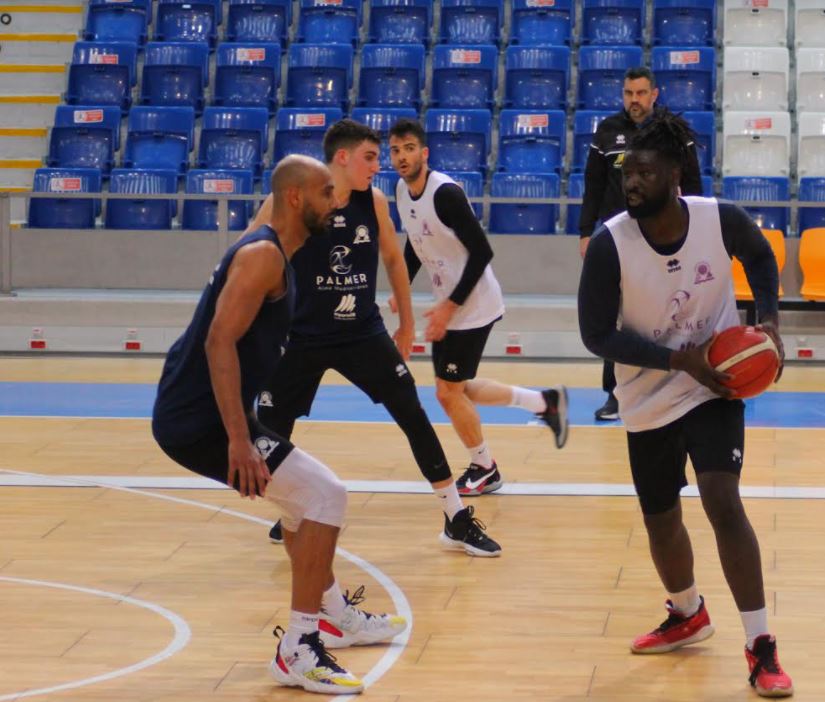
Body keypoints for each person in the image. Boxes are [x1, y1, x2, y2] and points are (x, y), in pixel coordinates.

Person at [577, 113, 793, 698]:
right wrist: (678, 360)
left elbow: (761, 258)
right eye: (628, 172)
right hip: (648, 390)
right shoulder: (610, 244)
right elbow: (595, 336)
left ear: (674, 175)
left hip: (713, 384)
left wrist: (769, 323)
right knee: (661, 518)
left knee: (723, 500)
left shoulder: (718, 218)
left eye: (645, 172)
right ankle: (688, 611)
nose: (632, 182)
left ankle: (761, 644)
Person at [152, 155, 375, 694]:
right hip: (199, 421)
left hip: (209, 412)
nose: (336, 202)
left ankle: (332, 616)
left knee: (306, 505)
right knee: (326, 496)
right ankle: (299, 647)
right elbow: (218, 342)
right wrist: (239, 439)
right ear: (296, 198)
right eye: (326, 192)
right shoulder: (263, 257)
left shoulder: (274, 248)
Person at [248, 119, 502, 561]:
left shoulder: (375, 200)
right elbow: (248, 249)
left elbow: (394, 260)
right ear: (342, 158)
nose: (378, 165)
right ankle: (292, 507)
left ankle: (456, 518)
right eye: (370, 157)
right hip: (302, 335)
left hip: (361, 332)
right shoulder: (292, 197)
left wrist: (406, 323)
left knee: (413, 414)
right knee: (270, 426)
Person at [388, 118, 569, 497]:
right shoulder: (402, 191)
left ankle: (485, 467)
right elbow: (416, 243)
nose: (402, 156)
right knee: (456, 387)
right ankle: (543, 402)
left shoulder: (445, 194)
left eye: (409, 149)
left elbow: (483, 251)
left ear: (424, 153)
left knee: (447, 392)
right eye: (395, 150)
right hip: (448, 304)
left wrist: (448, 308)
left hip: (472, 304)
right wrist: (401, 286)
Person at [578, 66, 703, 422]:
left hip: (665, 237)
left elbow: (693, 185)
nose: (634, 100)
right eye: (629, 94)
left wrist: (696, 231)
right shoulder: (607, 132)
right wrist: (586, 232)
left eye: (641, 93)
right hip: (618, 241)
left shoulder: (671, 133)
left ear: (655, 94)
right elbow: (593, 186)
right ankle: (615, 395)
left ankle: (678, 381)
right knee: (615, 316)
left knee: (669, 308)